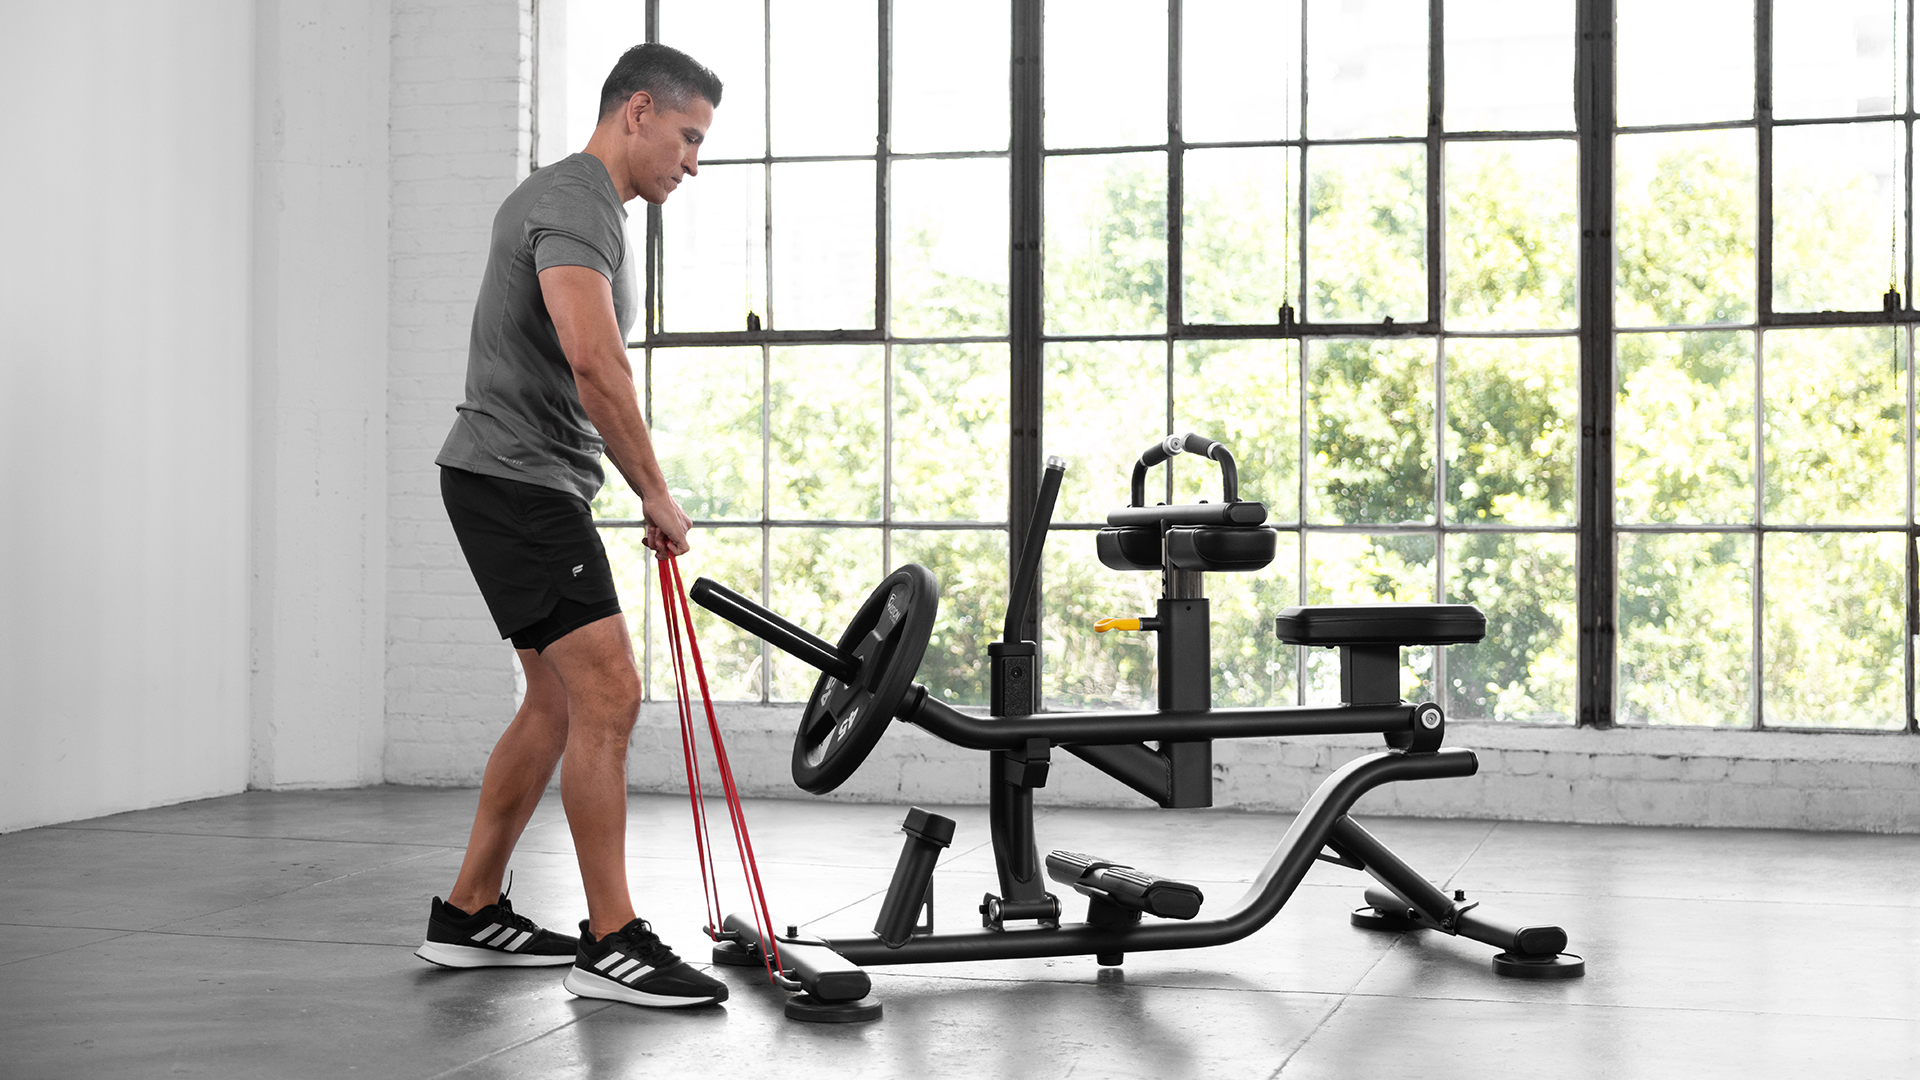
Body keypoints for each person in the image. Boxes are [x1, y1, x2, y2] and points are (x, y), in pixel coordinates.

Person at [414, 43, 728, 1010]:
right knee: (611, 693)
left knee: (556, 703)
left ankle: (469, 913)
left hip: (507, 479)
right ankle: (613, 940)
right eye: (688, 136)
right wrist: (656, 493)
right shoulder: (578, 202)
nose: (693, 161)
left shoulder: (577, 203)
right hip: (518, 484)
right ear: (638, 111)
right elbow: (596, 363)